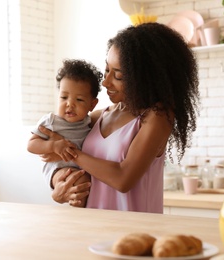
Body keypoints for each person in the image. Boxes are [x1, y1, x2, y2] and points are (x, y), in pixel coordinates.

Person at [38, 23, 200, 212]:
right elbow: (49, 149)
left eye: (118, 76)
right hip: (92, 228)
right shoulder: (100, 116)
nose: (105, 82)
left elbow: (123, 179)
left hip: (135, 233)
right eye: (107, 70)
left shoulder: (157, 117)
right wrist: (57, 186)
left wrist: (69, 151)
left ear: (145, 77)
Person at [27, 59, 102, 207]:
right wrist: (53, 146)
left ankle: (79, 218)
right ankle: (77, 219)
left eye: (79, 99)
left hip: (82, 169)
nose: (70, 104)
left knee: (85, 184)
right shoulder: (51, 121)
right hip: (58, 170)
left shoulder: (90, 124)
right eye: (64, 97)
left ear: (92, 104)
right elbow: (31, 145)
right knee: (80, 183)